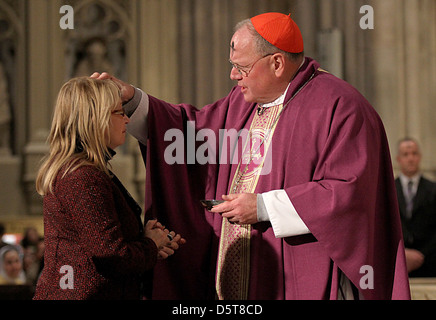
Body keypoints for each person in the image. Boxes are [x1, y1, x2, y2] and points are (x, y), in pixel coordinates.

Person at [92, 12, 409, 300]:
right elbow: (190, 132)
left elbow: (349, 194)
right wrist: (133, 101)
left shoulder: (341, 107)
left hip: (302, 273)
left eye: (242, 67)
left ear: (276, 63)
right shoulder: (241, 103)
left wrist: (263, 207)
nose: (233, 75)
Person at [33, 77, 184, 300]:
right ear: (95, 119)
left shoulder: (86, 171)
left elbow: (101, 243)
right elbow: (112, 256)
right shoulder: (81, 177)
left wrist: (147, 241)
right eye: (119, 112)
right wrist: (151, 244)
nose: (126, 120)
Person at [395, 137, 436, 277]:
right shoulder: (387, 190)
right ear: (398, 159)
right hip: (397, 264)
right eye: (406, 155)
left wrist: (421, 254)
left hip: (429, 265)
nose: (410, 158)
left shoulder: (433, 189)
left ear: (419, 157)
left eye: (414, 153)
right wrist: (402, 253)